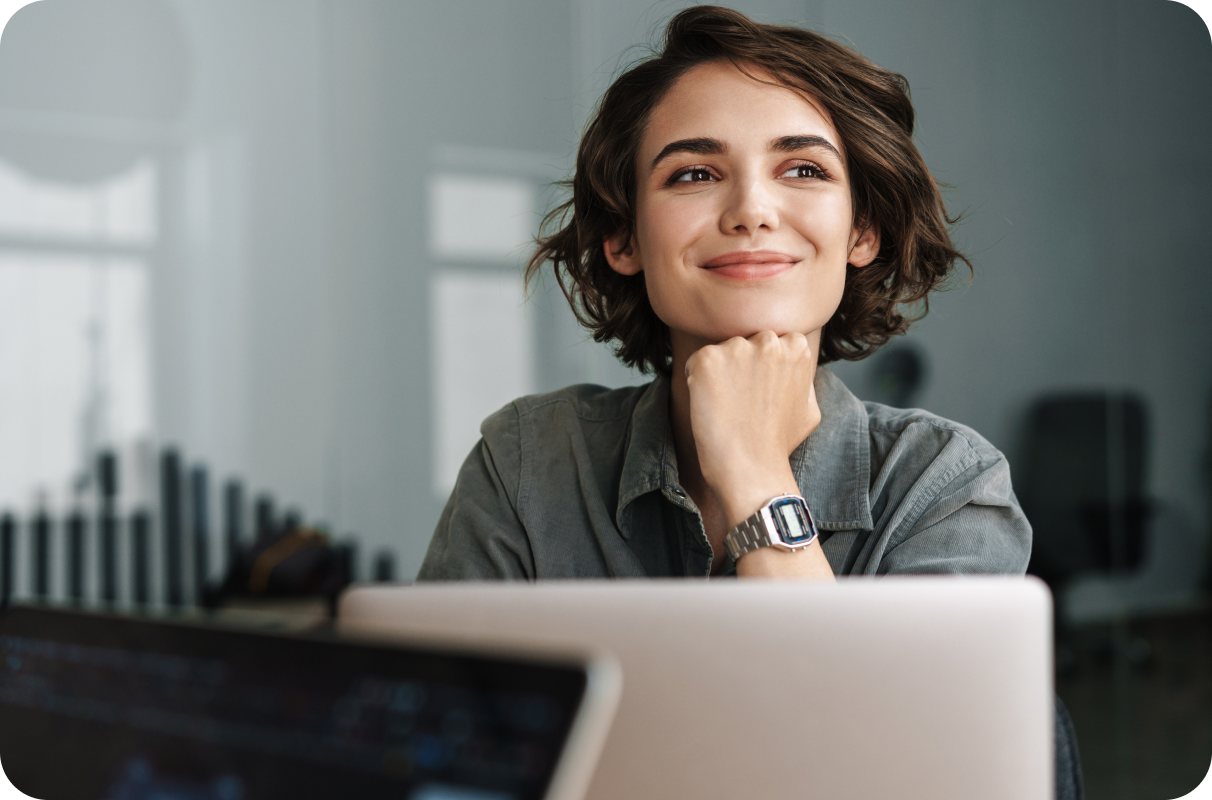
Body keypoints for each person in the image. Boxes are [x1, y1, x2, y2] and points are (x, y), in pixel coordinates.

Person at [418, 5, 1030, 583]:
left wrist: (755, 472)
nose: (751, 212)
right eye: (694, 174)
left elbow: (855, 701)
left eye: (803, 170)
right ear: (622, 237)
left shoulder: (946, 485)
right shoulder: (525, 463)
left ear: (862, 231)